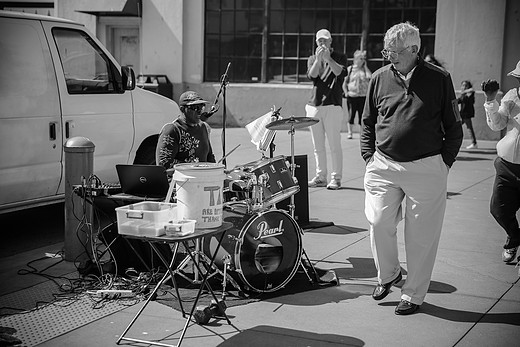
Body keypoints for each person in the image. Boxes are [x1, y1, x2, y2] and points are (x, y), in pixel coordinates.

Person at [361, 22, 463, 315]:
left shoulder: (439, 78)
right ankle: (389, 274)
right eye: (386, 50)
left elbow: (454, 127)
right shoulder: (379, 78)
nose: (387, 56)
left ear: (414, 50)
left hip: (426, 166)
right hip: (382, 164)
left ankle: (413, 294)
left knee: (421, 237)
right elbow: (368, 121)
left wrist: (444, 164)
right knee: (379, 222)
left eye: (393, 51)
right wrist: (368, 156)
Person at [483, 60, 520, 264]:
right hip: (506, 164)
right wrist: (491, 100)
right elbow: (497, 125)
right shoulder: (512, 96)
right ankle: (515, 237)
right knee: (498, 209)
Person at [306, 29, 347, 190]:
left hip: (333, 105)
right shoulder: (312, 58)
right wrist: (318, 59)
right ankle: (320, 176)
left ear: (331, 42)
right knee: (318, 146)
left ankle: (336, 178)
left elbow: (339, 72)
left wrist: (328, 58)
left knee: (334, 145)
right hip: (314, 106)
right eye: (319, 41)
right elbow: (312, 75)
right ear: (316, 43)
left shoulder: (340, 57)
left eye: (325, 41)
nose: (322, 44)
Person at [156, 91, 216, 172]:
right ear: (182, 109)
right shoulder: (172, 130)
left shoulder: (204, 127)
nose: (199, 111)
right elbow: (163, 166)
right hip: (180, 182)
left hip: (202, 180)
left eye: (201, 107)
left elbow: (210, 158)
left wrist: (217, 171)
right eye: (195, 108)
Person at [343, 50, 372, 139]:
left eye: (363, 59)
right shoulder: (350, 69)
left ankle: (361, 132)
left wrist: (366, 67)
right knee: (351, 114)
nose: (362, 60)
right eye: (360, 58)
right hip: (352, 95)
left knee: (362, 115)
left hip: (362, 96)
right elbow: (345, 82)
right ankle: (350, 132)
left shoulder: (364, 70)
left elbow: (370, 77)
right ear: (355, 59)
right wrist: (346, 92)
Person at [458, 80, 477, 149]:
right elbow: (459, 100)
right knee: (457, 126)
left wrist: (463, 91)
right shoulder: (464, 94)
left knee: (468, 128)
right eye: (463, 85)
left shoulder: (469, 93)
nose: (464, 87)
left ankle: (474, 143)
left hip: (466, 114)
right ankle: (474, 143)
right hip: (462, 114)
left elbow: (472, 90)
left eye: (466, 85)